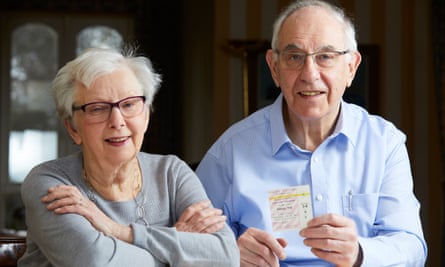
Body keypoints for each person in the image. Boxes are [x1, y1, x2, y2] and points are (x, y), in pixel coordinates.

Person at [196, 0, 427, 266]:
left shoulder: (384, 143)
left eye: (325, 56)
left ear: (351, 67)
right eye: (295, 57)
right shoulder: (230, 150)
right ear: (274, 67)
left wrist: (360, 253)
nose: (309, 74)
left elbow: (412, 247)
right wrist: (230, 255)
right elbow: (190, 244)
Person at [18, 47, 240, 267]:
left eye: (129, 104)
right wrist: (179, 246)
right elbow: (96, 262)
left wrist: (121, 232)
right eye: (97, 109)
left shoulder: (171, 173)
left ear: (145, 116)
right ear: (73, 129)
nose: (117, 121)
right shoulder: (51, 184)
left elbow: (225, 256)